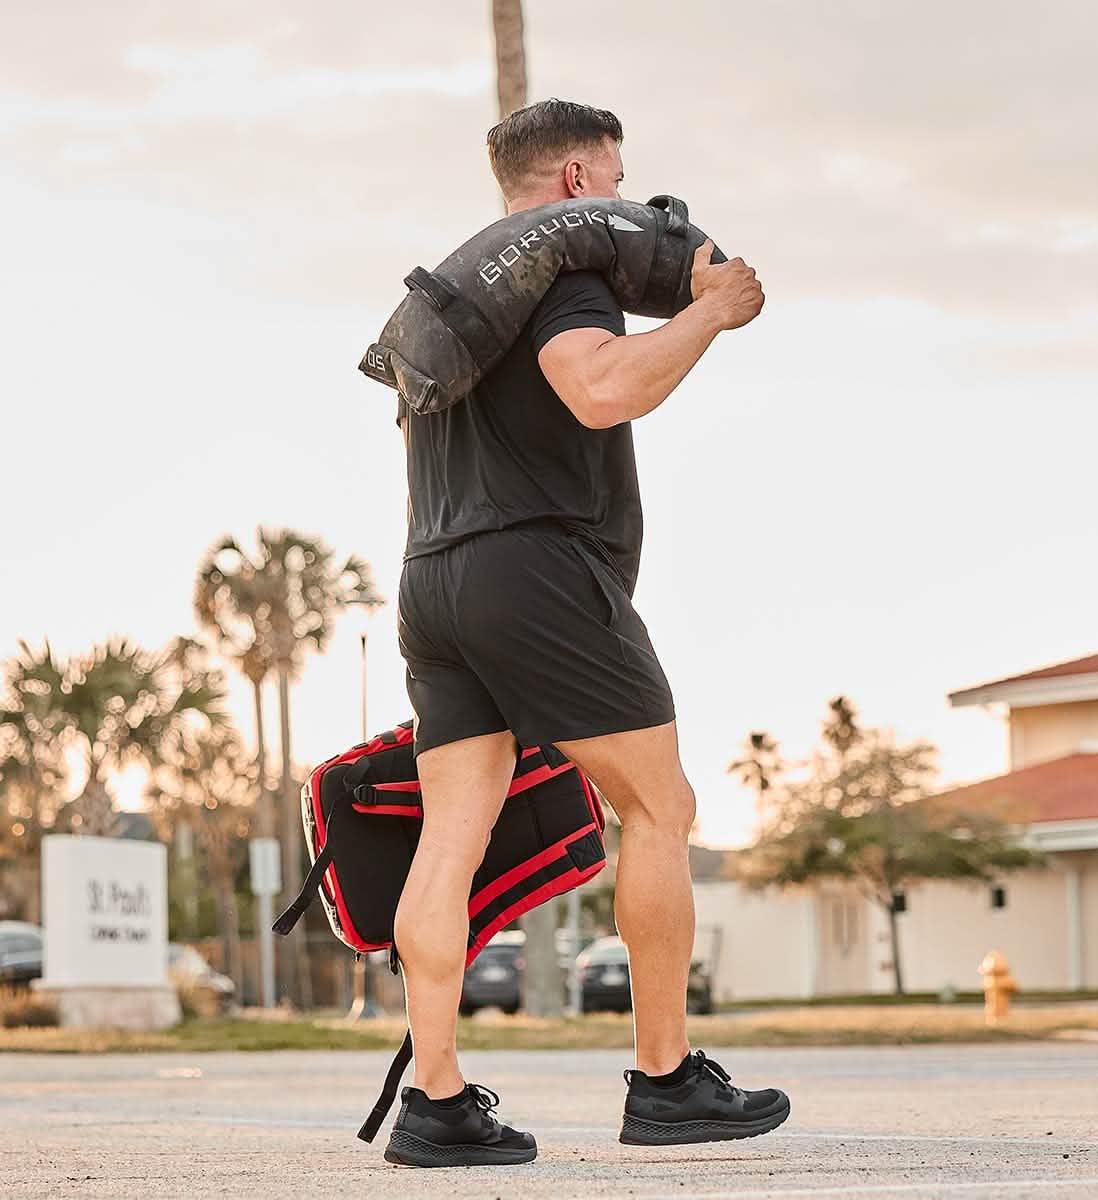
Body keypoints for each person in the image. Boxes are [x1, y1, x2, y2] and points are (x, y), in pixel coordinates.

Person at [386, 98, 788, 1168]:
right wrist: (709, 315)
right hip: (536, 570)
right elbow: (599, 390)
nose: (621, 193)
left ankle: (437, 1101)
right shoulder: (565, 273)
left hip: (432, 578)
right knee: (659, 808)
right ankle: (666, 1080)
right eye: (614, 173)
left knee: (451, 836)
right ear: (575, 180)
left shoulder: (463, 295)